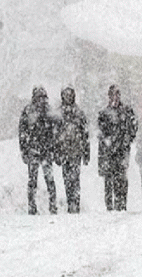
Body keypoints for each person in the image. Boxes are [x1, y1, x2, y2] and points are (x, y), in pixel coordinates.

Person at [97, 84, 139, 211]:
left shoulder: (126, 111)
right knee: (109, 179)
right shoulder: (104, 113)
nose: (115, 98)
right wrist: (106, 143)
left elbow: (134, 126)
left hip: (122, 150)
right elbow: (101, 133)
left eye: (117, 95)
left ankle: (121, 204)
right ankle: (109, 205)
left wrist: (128, 138)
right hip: (108, 152)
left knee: (121, 178)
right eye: (112, 95)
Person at [18, 86, 57, 215]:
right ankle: (32, 205)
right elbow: (22, 132)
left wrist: (53, 148)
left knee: (48, 179)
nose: (41, 100)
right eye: (39, 97)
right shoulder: (29, 111)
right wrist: (24, 150)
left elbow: (54, 132)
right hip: (34, 150)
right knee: (33, 180)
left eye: (42, 97)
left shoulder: (48, 112)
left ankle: (52, 205)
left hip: (45, 151)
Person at [53, 85, 90, 213]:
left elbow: (85, 134)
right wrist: (56, 152)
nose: (68, 97)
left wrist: (86, 153)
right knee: (67, 179)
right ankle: (70, 203)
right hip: (64, 152)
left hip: (76, 151)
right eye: (66, 95)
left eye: (70, 95)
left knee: (75, 178)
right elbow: (55, 135)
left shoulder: (79, 113)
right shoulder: (58, 114)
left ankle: (76, 203)